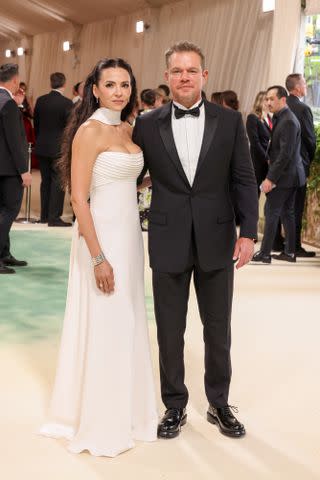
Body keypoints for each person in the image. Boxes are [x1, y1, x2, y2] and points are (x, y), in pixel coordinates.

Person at [134, 41, 258, 439]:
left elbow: (243, 177)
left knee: (217, 327)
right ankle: (174, 405)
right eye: (177, 71)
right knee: (170, 329)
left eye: (192, 70)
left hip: (218, 236)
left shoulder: (229, 120)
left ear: (204, 75)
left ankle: (219, 404)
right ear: (167, 77)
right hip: (168, 237)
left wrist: (249, 233)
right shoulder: (147, 123)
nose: (184, 77)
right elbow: (131, 175)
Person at [40, 58, 158, 456]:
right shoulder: (89, 132)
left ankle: (129, 410)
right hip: (101, 238)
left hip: (129, 238)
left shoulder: (127, 127)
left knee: (126, 318)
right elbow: (78, 198)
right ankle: (101, 417)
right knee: (105, 318)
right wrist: (97, 258)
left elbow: (130, 177)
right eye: (111, 84)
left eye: (125, 84)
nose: (120, 91)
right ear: (95, 90)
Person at [252, 86, 306, 264]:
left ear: (283, 100)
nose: (267, 102)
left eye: (271, 99)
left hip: (285, 176)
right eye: (266, 99)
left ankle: (265, 253)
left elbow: (285, 154)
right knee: (287, 213)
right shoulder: (284, 118)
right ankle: (289, 252)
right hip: (290, 175)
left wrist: (270, 178)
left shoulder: (288, 120)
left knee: (271, 211)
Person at [0, 63, 32, 274]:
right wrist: (24, 170)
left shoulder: (9, 103)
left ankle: (4, 253)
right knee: (9, 211)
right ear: (13, 82)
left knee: (2, 211)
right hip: (9, 169)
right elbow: (15, 141)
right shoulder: (8, 104)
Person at [34, 72, 73, 226]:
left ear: (51, 83)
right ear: (64, 84)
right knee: (58, 182)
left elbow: (36, 124)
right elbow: (69, 128)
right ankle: (54, 218)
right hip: (58, 148)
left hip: (42, 146)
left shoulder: (41, 100)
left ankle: (44, 215)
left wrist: (40, 139)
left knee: (45, 181)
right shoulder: (67, 103)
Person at [286, 73, 316, 257]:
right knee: (296, 207)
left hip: (282, 165)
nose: (306, 87)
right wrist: (309, 160)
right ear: (297, 88)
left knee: (284, 207)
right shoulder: (303, 109)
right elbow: (310, 139)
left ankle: (283, 245)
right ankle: (295, 247)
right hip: (299, 164)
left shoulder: (283, 105)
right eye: (304, 84)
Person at [246, 91, 271, 197]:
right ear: (260, 101)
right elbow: (255, 143)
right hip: (257, 162)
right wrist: (267, 158)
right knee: (254, 194)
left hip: (267, 161)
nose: (269, 103)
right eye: (267, 100)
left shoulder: (267, 118)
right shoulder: (252, 118)